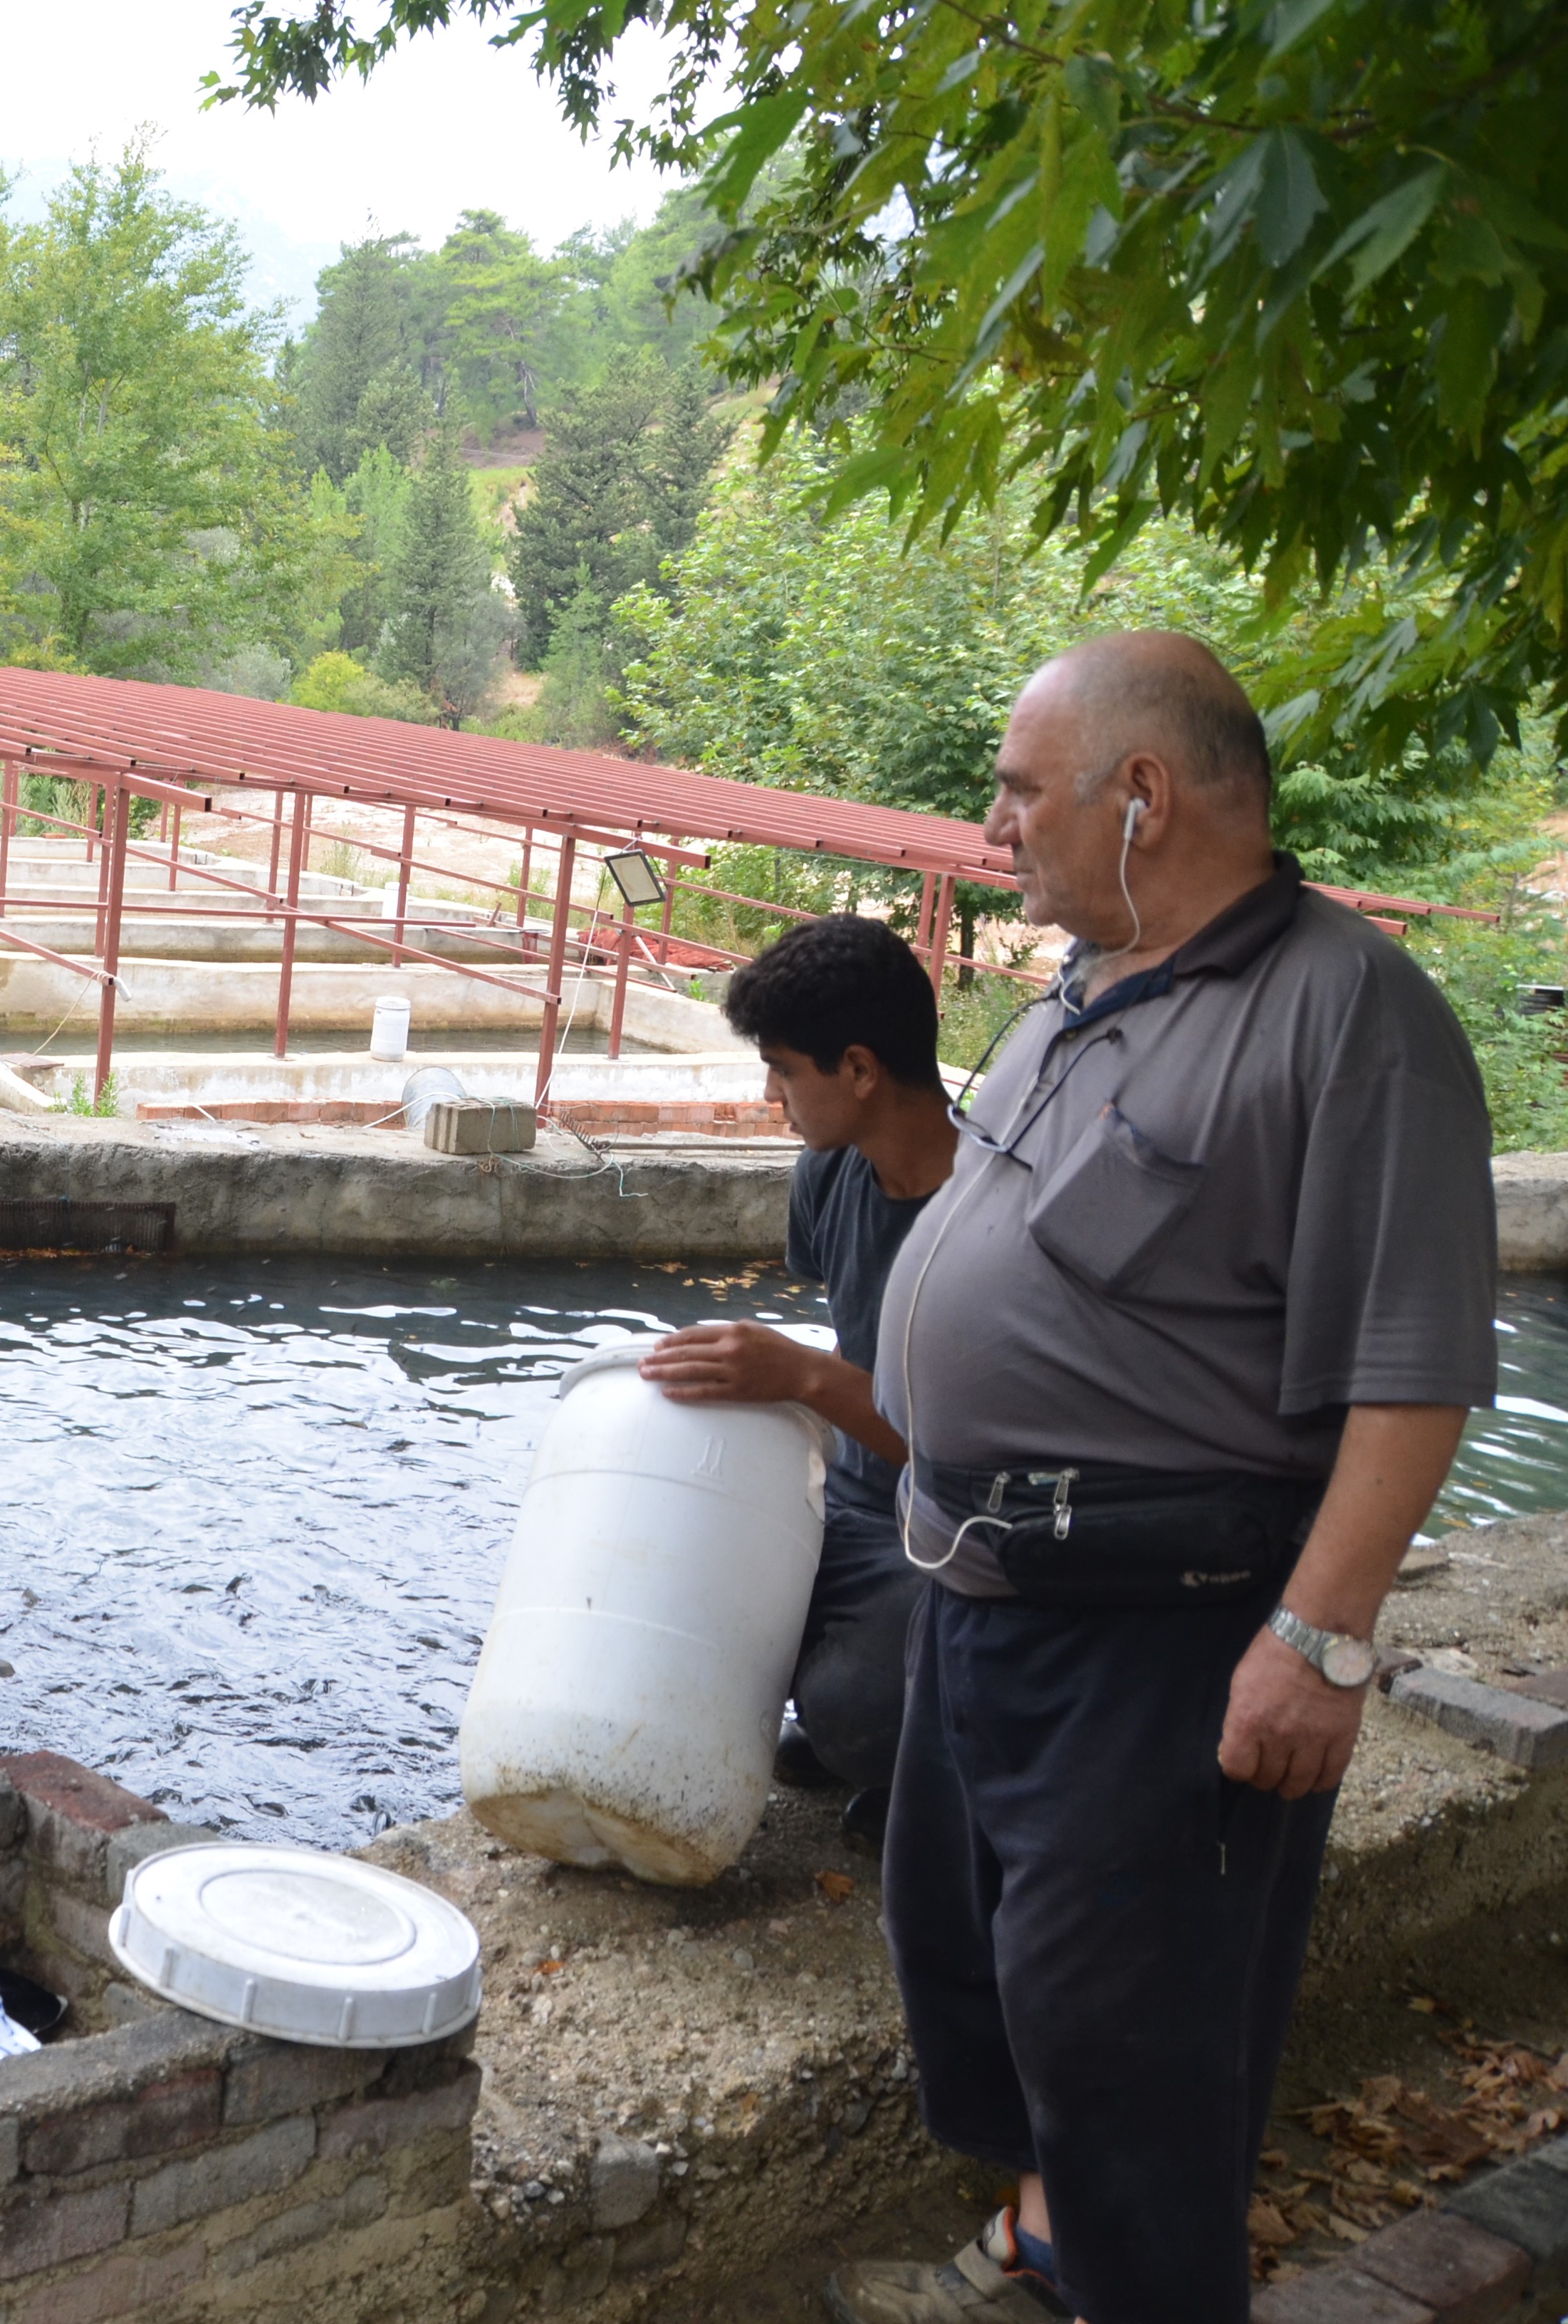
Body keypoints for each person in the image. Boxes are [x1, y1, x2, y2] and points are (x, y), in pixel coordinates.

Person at [827, 632, 1497, 2324]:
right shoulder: (1077, 992)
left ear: (1142, 796)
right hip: (982, 1604)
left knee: (1134, 2060)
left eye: (1019, 791)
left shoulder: (1349, 1016)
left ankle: (1131, 2278)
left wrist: (1323, 1641)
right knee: (980, 1988)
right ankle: (1048, 2252)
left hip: (1162, 1634)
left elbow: (1410, 1372)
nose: (992, 824)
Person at [639, 913, 956, 1831]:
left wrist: (804, 1378)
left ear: (859, 1070)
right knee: (650, 1561)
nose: (771, 1091)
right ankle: (855, 1709)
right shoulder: (831, 1173)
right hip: (848, 1503)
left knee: (864, 1705)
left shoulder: (995, 1216)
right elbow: (859, 1352)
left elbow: (975, 1458)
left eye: (783, 1067)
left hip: (951, 1527)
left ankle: (900, 1749)